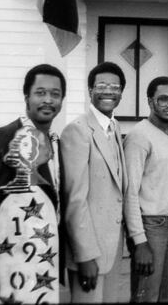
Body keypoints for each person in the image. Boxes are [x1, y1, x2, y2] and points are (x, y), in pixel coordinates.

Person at [0, 64, 66, 302]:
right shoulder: (5, 137)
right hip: (9, 263)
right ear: (27, 97)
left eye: (55, 94)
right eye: (40, 92)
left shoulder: (56, 143)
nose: (48, 100)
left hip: (43, 264)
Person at [60, 62, 127, 303]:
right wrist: (85, 255)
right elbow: (74, 200)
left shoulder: (115, 126)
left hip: (112, 248)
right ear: (90, 91)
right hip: (88, 251)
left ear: (121, 92)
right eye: (101, 85)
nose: (108, 91)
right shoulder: (77, 131)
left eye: (114, 86)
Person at [123, 76, 168, 302]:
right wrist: (139, 241)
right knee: (146, 295)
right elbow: (129, 192)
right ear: (150, 102)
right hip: (151, 227)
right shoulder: (139, 136)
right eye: (164, 99)